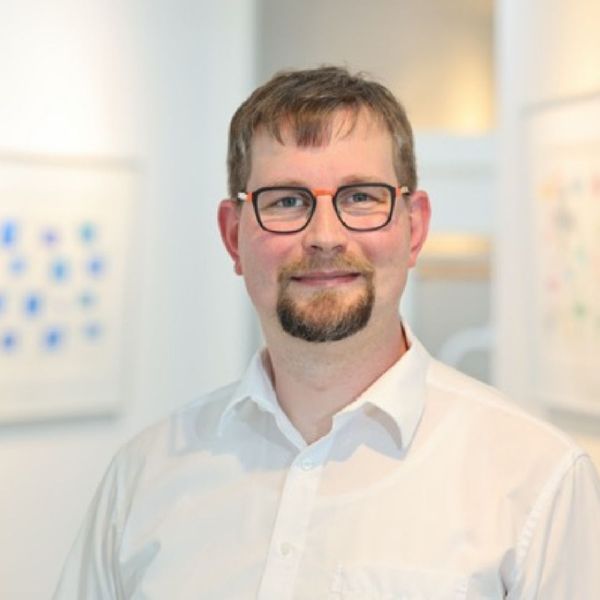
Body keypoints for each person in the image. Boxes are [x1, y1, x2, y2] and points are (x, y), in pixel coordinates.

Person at [54, 66, 600, 599]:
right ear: (233, 235)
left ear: (415, 228)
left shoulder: (536, 482)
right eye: (286, 201)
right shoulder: (143, 477)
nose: (324, 236)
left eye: (360, 196)